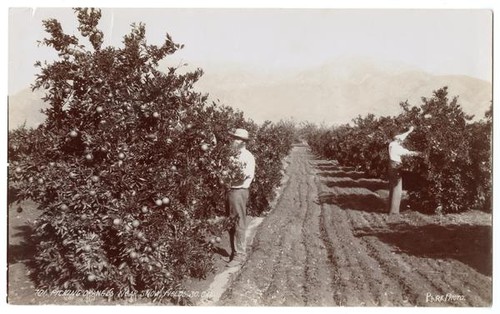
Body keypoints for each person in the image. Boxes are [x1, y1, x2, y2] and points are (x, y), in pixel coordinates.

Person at [226, 128, 255, 267]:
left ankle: (240, 255)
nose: (233, 141)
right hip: (230, 190)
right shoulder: (232, 154)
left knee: (238, 222)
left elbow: (241, 176)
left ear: (243, 142)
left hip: (239, 190)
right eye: (234, 138)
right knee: (231, 222)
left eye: (236, 139)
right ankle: (234, 252)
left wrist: (226, 175)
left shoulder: (247, 156)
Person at [388, 126, 420, 214]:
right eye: (398, 137)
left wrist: (409, 131)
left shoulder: (392, 144)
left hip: (391, 166)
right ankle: (394, 212)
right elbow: (406, 153)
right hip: (395, 167)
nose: (400, 138)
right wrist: (418, 153)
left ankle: (391, 210)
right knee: (397, 189)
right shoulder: (396, 147)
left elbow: (401, 137)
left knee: (393, 187)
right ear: (396, 137)